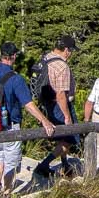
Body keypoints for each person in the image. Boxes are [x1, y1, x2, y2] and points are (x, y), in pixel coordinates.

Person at [0, 43, 55, 198]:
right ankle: (6, 192)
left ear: (1, 55)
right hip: (10, 124)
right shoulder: (16, 79)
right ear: (13, 57)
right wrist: (45, 121)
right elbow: (28, 104)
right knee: (11, 160)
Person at [31, 35, 80, 185]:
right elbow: (60, 94)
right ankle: (44, 165)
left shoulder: (45, 58)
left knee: (62, 137)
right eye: (71, 50)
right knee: (71, 138)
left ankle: (65, 166)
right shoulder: (62, 66)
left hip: (45, 104)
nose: (71, 54)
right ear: (66, 50)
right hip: (58, 105)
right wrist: (67, 115)